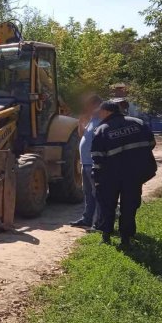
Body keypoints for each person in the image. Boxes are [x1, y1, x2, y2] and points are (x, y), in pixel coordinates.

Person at [91, 100, 157, 247]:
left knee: (107, 205)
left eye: (100, 112)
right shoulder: (138, 123)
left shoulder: (102, 129)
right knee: (129, 206)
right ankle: (126, 239)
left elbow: (97, 157)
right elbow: (151, 143)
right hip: (134, 174)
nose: (99, 115)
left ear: (107, 112)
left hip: (110, 176)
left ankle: (106, 236)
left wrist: (97, 177)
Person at [71, 93, 102, 228]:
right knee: (88, 194)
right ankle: (87, 219)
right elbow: (82, 135)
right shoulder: (92, 119)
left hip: (95, 164)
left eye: (89, 105)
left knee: (98, 195)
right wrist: (80, 123)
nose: (87, 108)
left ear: (97, 106)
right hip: (85, 163)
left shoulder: (102, 120)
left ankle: (99, 223)